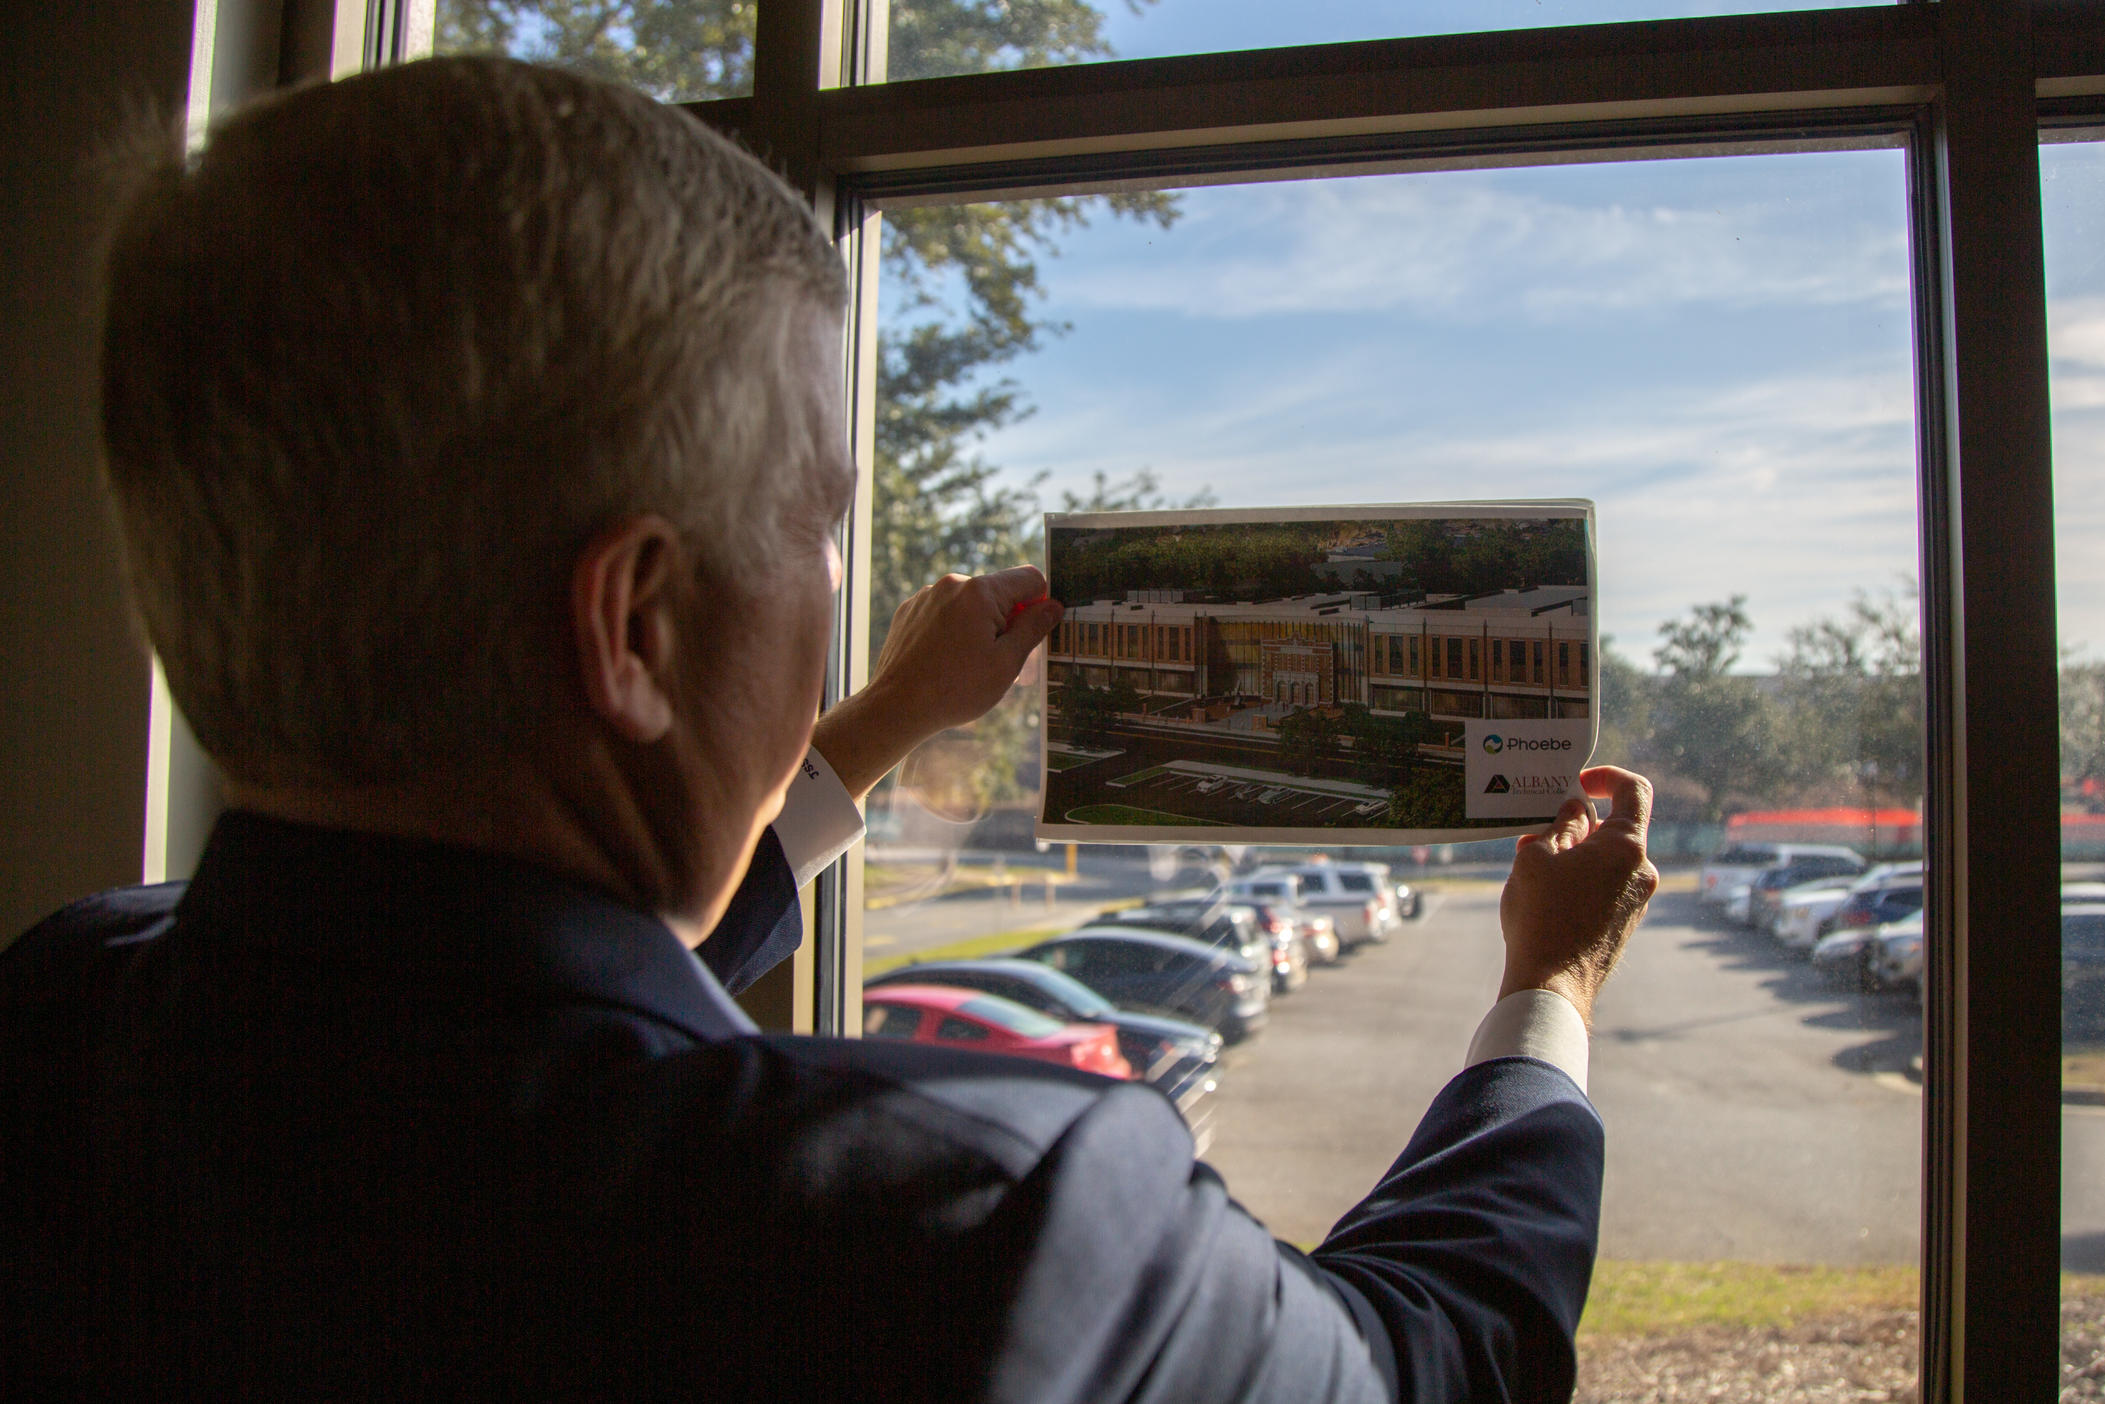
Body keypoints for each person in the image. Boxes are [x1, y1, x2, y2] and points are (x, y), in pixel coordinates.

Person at [0, 56, 1658, 1400]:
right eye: (818, 521)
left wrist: (865, 734)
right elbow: (1434, 1362)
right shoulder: (970, 1232)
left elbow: (494, 1012)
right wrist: (1546, 995)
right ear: (635, 624)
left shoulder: (69, 1013)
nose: (833, 581)